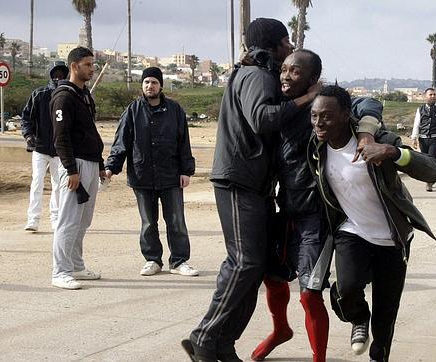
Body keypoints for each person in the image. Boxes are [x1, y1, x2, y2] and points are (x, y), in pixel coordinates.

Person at [183, 18, 304, 362]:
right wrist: (307, 97)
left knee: (256, 265)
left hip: (254, 182)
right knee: (244, 262)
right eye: (287, 43)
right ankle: (205, 336)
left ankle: (222, 343)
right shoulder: (256, 76)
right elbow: (262, 118)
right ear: (275, 45)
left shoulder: (258, 73)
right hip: (238, 180)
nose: (290, 50)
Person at [251, 50, 381, 362]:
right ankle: (280, 330)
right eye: (283, 70)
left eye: (295, 72)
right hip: (286, 210)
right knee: (273, 278)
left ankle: (318, 358)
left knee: (310, 294)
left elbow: (369, 104)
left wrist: (365, 132)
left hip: (317, 217)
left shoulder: (322, 105)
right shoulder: (282, 107)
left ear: (313, 79)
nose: (285, 76)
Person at [307, 85, 436, 361]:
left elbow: (434, 171)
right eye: (314, 116)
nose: (319, 124)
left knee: (385, 316)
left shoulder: (377, 139)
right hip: (352, 231)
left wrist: (393, 152)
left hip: (393, 239)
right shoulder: (315, 145)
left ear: (346, 115)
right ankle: (359, 318)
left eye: (327, 117)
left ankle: (378, 355)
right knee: (346, 289)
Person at [104, 67, 198, 277]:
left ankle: (179, 261)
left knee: (176, 221)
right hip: (142, 174)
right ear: (142, 85)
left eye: (154, 82)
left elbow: (184, 143)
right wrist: (111, 167)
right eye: (146, 82)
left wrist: (186, 171)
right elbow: (121, 143)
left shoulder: (175, 110)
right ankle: (152, 259)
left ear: (160, 85)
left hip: (171, 176)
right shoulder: (132, 111)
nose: (150, 86)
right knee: (148, 222)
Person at [49, 47, 105, 290]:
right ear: (74, 66)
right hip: (75, 167)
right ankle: (60, 271)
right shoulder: (64, 97)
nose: (92, 69)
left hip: (91, 163)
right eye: (88, 65)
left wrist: (101, 164)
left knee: (83, 220)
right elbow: (61, 138)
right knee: (68, 221)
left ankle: (76, 266)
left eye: (93, 65)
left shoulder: (84, 96)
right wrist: (71, 170)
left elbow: (90, 132)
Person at [21, 61, 69, 232]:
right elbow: (26, 118)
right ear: (50, 75)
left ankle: (55, 219)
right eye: (55, 74)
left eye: (62, 75)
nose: (58, 78)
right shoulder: (39, 95)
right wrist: (28, 136)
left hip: (59, 150)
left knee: (58, 185)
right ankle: (33, 219)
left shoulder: (68, 96)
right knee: (37, 182)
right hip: (40, 148)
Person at [410, 87, 436, 191]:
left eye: (434, 94)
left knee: (432, 159)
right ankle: (428, 178)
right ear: (425, 96)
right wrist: (414, 138)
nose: (433, 96)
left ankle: (429, 182)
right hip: (423, 139)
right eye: (430, 95)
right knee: (425, 160)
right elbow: (416, 124)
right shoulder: (420, 109)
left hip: (435, 139)